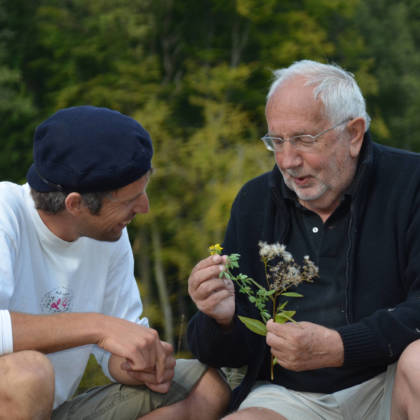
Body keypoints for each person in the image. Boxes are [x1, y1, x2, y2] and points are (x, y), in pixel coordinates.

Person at [187, 60, 420, 420]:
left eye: (304, 140)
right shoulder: (255, 202)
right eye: (276, 141)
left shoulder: (411, 185)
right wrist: (220, 320)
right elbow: (229, 354)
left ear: (354, 134)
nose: (287, 160)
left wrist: (341, 346)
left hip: (390, 382)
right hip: (293, 396)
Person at [0, 105, 230, 420]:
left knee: (206, 385)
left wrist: (137, 364)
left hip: (54, 411)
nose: (145, 207)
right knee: (28, 374)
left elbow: (114, 345)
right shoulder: (5, 214)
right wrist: (98, 327)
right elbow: (104, 330)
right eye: (130, 200)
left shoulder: (109, 234)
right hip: (18, 394)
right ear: (75, 203)